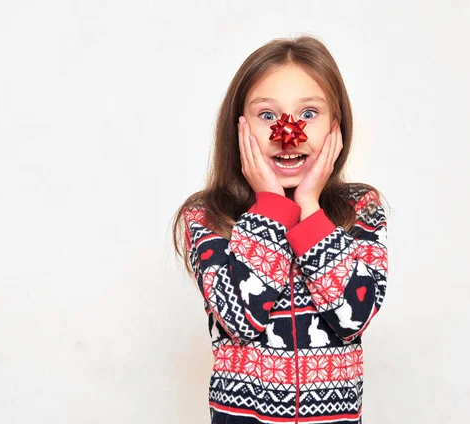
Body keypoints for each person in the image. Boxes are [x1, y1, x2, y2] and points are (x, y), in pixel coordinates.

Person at [172, 36, 388, 424]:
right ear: (239, 127)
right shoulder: (206, 216)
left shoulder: (361, 210)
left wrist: (308, 205)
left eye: (308, 113)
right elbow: (238, 318)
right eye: (268, 116)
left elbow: (353, 316)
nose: (288, 132)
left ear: (335, 127)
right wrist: (271, 204)